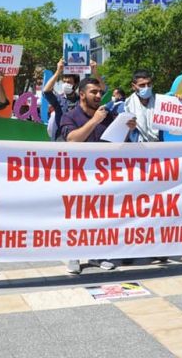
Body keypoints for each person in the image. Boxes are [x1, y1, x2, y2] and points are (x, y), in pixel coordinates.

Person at [59, 77, 135, 273]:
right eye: (94, 92)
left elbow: (116, 144)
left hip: (103, 177)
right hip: (77, 176)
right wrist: (94, 121)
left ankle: (97, 254)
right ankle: (73, 256)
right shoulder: (70, 116)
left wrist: (127, 129)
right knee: (76, 216)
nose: (99, 96)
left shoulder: (109, 116)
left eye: (100, 92)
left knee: (100, 216)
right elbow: (72, 141)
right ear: (82, 94)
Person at [44, 58, 99, 140]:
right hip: (61, 139)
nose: (65, 84)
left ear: (76, 84)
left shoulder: (83, 99)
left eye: (69, 82)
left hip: (79, 138)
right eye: (64, 82)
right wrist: (58, 71)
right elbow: (46, 91)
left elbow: (101, 89)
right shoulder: (59, 100)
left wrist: (95, 72)